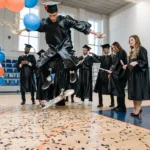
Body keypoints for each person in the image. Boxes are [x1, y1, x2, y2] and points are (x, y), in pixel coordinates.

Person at [16, 1, 104, 90]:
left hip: (64, 45)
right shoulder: (45, 23)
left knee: (67, 57)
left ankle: (72, 71)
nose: (52, 18)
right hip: (53, 48)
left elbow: (78, 25)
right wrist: (21, 30)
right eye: (50, 16)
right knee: (40, 64)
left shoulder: (65, 20)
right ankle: (48, 79)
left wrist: (95, 33)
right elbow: (34, 25)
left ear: (57, 12)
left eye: (54, 15)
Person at [123, 35, 150, 116]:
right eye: (129, 40)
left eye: (131, 40)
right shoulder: (131, 51)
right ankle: (136, 108)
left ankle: (138, 109)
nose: (130, 41)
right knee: (133, 92)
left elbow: (144, 61)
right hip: (132, 75)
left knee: (138, 92)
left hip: (139, 75)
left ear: (136, 40)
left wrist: (137, 63)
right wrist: (126, 66)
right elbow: (130, 63)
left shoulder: (142, 49)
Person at [109, 42, 127, 112]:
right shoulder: (119, 53)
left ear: (117, 46)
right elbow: (115, 63)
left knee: (120, 91)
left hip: (121, 75)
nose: (113, 49)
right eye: (112, 48)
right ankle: (119, 106)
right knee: (118, 91)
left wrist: (111, 70)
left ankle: (122, 107)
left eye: (113, 47)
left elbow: (116, 64)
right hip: (118, 74)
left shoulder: (121, 52)